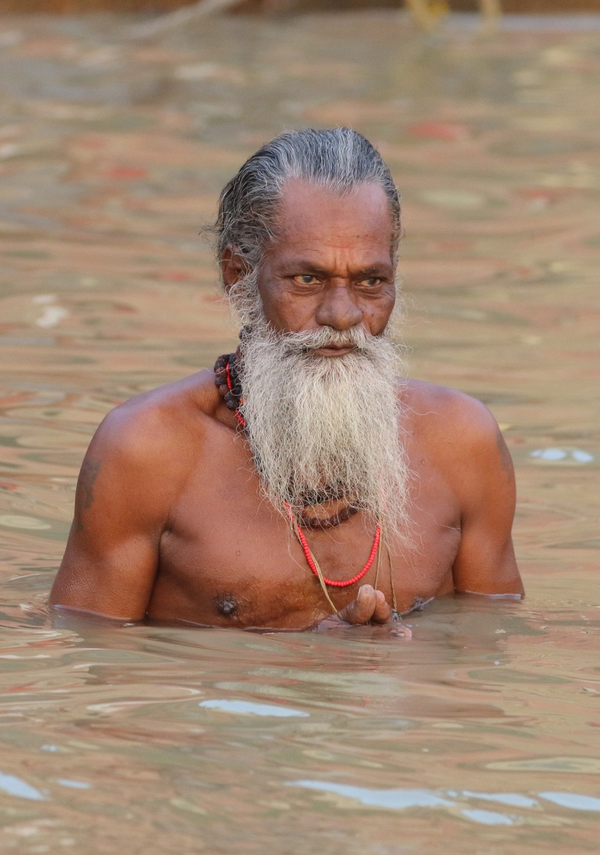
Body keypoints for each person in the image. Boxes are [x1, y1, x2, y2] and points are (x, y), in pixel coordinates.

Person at [50, 128, 522, 629]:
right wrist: (306, 661)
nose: (342, 315)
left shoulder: (462, 442)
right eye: (307, 279)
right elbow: (94, 661)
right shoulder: (147, 449)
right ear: (238, 275)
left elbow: (490, 649)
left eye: (370, 282)